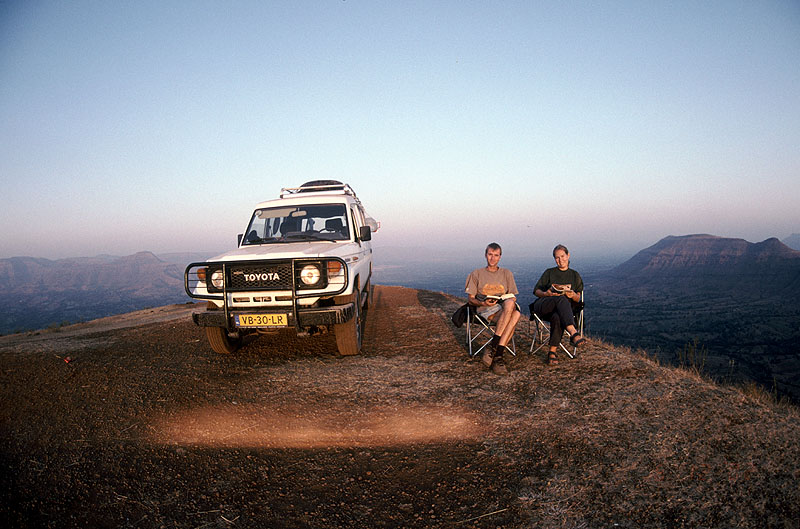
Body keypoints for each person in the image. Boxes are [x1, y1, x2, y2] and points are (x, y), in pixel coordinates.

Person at [465, 243, 521, 375]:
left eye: (496, 255)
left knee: (511, 305)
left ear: (500, 257)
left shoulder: (506, 273)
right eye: (490, 254)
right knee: (515, 315)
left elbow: (513, 297)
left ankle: (494, 348)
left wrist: (506, 300)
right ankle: (498, 355)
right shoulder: (476, 273)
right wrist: (483, 302)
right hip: (484, 309)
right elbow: (470, 299)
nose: (492, 258)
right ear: (485, 255)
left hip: (502, 308)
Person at [531, 244, 588, 364]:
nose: (560, 260)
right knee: (560, 298)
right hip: (545, 305)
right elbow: (536, 291)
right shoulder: (549, 272)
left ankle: (552, 352)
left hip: (563, 312)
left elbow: (578, 298)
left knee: (557, 316)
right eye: (557, 257)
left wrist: (573, 295)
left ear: (568, 256)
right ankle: (573, 332)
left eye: (562, 256)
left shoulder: (575, 275)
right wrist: (546, 294)